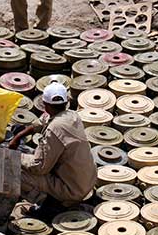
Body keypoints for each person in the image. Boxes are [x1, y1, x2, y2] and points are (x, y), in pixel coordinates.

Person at [9, 83, 97, 214]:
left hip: (72, 189)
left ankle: (49, 205)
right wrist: (18, 136)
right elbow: (42, 122)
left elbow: (39, 168)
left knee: (14, 173)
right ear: (66, 103)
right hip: (88, 181)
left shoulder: (54, 129)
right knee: (29, 154)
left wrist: (13, 156)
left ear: (45, 104)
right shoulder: (72, 115)